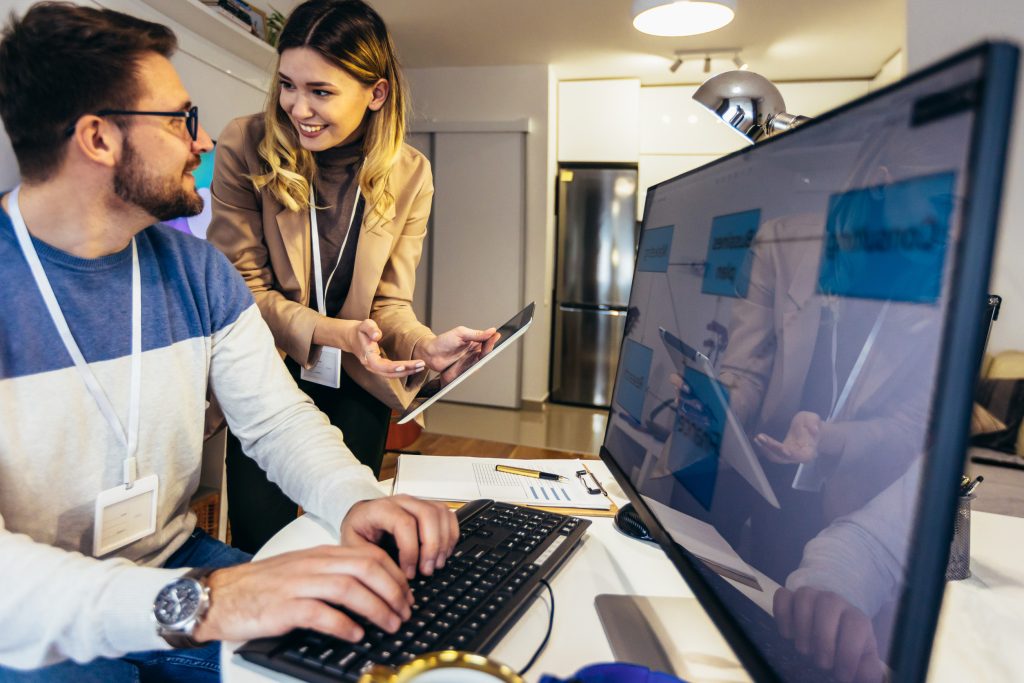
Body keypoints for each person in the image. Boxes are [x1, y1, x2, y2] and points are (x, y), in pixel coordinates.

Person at [0, 4, 457, 680]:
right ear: (98, 138)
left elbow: (274, 418)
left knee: (367, 647)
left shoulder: (197, 271)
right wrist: (208, 600)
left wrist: (358, 498)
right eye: (182, 119)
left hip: (174, 564)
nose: (207, 140)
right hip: (37, 615)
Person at [206, 0, 497, 553]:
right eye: (288, 85)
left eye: (321, 91)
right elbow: (239, 292)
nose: (297, 107)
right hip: (264, 373)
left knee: (349, 537)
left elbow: (388, 304)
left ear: (376, 93)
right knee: (259, 540)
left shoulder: (411, 173)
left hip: (357, 379)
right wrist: (337, 333)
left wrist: (426, 346)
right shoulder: (244, 145)